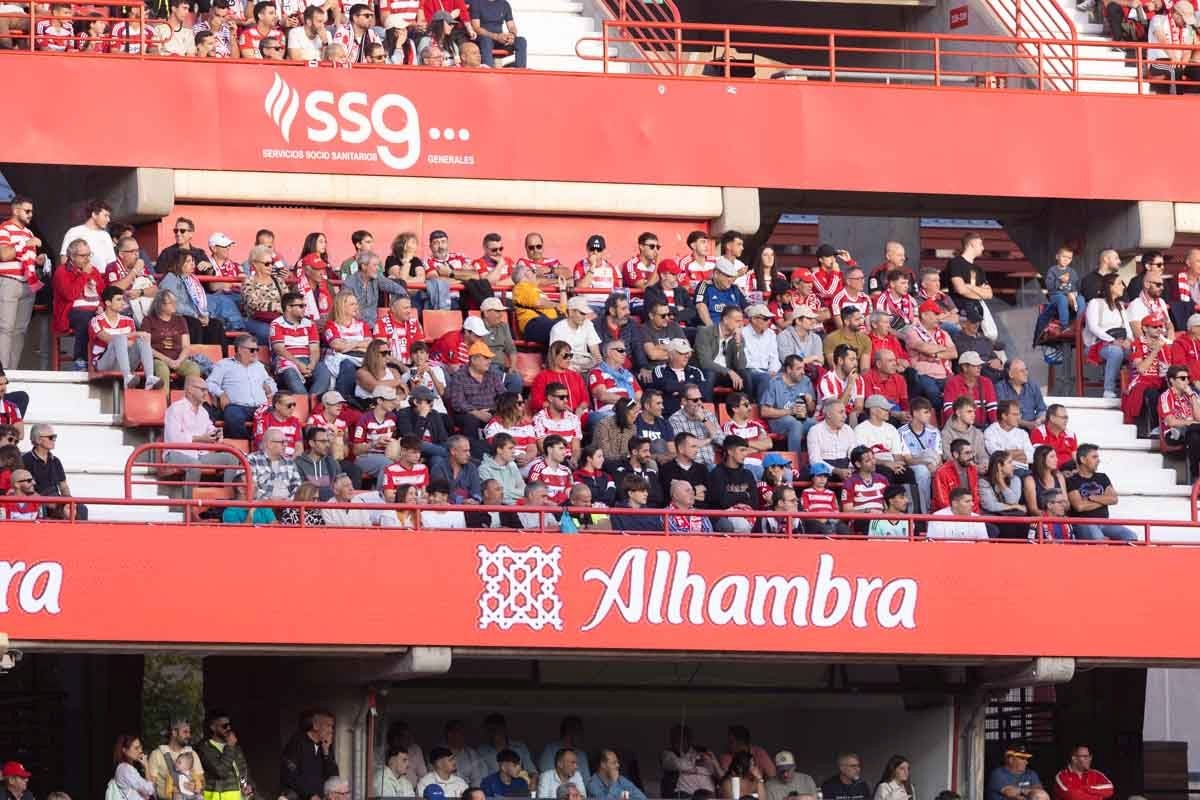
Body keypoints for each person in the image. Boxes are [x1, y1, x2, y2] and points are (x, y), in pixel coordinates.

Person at [164, 375, 241, 495]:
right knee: (195, 465)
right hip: (176, 453)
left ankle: (228, 498)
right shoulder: (175, 409)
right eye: (202, 389)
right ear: (189, 389)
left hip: (199, 455)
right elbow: (174, 439)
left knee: (232, 458)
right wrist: (201, 439)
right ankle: (189, 504)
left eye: (206, 390)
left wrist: (216, 433)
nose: (206, 393)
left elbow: (210, 429)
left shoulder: (203, 411)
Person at [0, 196, 43, 370]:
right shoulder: (4, 229)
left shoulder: (29, 232)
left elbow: (25, 258)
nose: (30, 214)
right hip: (9, 282)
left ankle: (12, 371)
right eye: (27, 211)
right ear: (15, 210)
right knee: (5, 328)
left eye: (31, 211)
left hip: (28, 284)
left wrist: (39, 259)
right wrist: (27, 243)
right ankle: (2, 371)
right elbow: (3, 255)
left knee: (19, 332)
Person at [90, 286, 161, 389]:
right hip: (104, 363)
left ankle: (149, 378)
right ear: (108, 303)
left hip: (126, 361)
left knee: (142, 338)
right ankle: (127, 377)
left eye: (123, 299)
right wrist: (130, 336)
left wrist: (131, 338)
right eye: (118, 299)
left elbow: (131, 343)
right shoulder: (96, 320)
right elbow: (107, 338)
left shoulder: (128, 320)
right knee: (119, 338)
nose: (123, 303)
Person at [207, 335, 277, 439]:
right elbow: (209, 383)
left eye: (257, 350)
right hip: (237, 406)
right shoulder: (224, 364)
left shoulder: (259, 366)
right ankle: (245, 444)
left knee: (277, 414)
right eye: (252, 350)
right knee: (233, 415)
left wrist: (270, 387)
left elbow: (272, 384)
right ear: (240, 349)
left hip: (261, 407)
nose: (256, 353)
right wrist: (220, 393)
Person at [54, 237, 108, 370]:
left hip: (95, 309)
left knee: (116, 317)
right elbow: (69, 294)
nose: (88, 259)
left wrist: (101, 306)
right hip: (71, 312)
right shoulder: (62, 271)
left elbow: (103, 293)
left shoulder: (93, 270)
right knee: (86, 318)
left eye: (89, 254)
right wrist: (84, 275)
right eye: (83, 255)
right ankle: (81, 360)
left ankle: (104, 360)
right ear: (71, 256)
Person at [1066, 444, 1137, 541]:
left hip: (1105, 523)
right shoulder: (1071, 480)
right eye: (1094, 457)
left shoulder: (1102, 477)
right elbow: (1079, 506)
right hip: (1083, 523)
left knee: (1131, 536)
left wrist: (1092, 498)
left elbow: (1114, 499)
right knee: (1097, 537)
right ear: (1082, 459)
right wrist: (1104, 500)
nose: (1098, 460)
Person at [446, 342, 506, 453]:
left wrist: (496, 411)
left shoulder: (492, 375)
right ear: (473, 359)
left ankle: (501, 450)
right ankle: (473, 453)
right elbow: (457, 403)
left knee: (505, 414)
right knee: (470, 420)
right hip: (468, 413)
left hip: (491, 411)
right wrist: (477, 412)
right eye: (486, 358)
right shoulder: (459, 376)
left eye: (489, 358)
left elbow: (504, 396)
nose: (489, 361)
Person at [1083, 273, 1132, 400]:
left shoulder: (1120, 306)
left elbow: (1127, 327)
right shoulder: (1095, 303)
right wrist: (1112, 340)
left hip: (1120, 342)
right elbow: (1093, 327)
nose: (1123, 286)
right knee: (1115, 352)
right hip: (1098, 344)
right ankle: (1108, 390)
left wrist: (1129, 340)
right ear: (1110, 286)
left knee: (1136, 352)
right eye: (1120, 283)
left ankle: (1132, 388)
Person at [23, 424, 86, 520]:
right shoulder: (26, 460)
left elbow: (63, 486)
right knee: (47, 509)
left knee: (81, 508)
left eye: (54, 437)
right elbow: (25, 489)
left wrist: (68, 500)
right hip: (38, 499)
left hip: (56, 498)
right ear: (38, 440)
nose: (54, 439)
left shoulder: (55, 460)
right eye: (51, 437)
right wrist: (46, 501)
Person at [905, 299, 957, 412]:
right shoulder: (912, 332)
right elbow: (925, 348)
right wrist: (944, 349)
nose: (939, 318)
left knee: (958, 393)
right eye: (935, 314)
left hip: (946, 375)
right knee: (933, 394)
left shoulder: (944, 333)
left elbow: (954, 353)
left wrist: (934, 354)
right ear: (924, 315)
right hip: (924, 375)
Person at [1123, 314, 1172, 432]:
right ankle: (1155, 428)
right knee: (1153, 394)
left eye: (1160, 326)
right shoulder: (1137, 343)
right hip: (1142, 381)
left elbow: (1167, 368)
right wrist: (1155, 351)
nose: (1159, 329)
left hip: (1160, 380)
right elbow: (1141, 369)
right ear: (1145, 328)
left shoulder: (1163, 344)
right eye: (1155, 327)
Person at [759, 355, 816, 454]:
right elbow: (764, 411)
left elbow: (811, 410)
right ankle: (795, 462)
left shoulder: (805, 381)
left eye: (803, 368)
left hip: (801, 418)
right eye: (799, 369)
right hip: (778, 420)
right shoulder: (775, 382)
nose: (803, 372)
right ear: (789, 369)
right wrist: (790, 411)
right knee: (795, 424)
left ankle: (815, 460)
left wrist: (810, 402)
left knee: (816, 426)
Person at [196, 712, 255, 800]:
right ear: (213, 727)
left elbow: (244, 771)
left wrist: (249, 786)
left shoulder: (236, 748)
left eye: (229, 725)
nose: (228, 728)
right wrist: (230, 746)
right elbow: (221, 772)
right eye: (224, 726)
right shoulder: (205, 748)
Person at [705, 435, 758, 532]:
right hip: (723, 517)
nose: (745, 454)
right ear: (730, 452)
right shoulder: (717, 473)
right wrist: (745, 495)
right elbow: (722, 502)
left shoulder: (748, 474)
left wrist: (733, 499)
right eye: (742, 450)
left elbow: (755, 502)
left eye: (746, 450)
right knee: (739, 525)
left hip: (747, 515)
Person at [280, 710, 338, 800]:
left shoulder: (326, 746)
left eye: (332, 727)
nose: (331, 730)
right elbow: (290, 776)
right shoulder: (297, 742)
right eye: (328, 725)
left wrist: (326, 753)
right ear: (315, 726)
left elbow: (334, 779)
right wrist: (310, 795)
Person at [695, 305, 749, 397]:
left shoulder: (738, 337)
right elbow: (705, 363)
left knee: (745, 375)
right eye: (737, 321)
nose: (741, 325)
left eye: (741, 321)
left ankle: (744, 406)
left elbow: (740, 366)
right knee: (710, 374)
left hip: (726, 374)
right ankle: (707, 408)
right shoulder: (705, 332)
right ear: (725, 320)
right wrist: (729, 372)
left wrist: (738, 344)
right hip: (708, 371)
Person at [1159, 364, 1200, 477]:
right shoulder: (1166, 396)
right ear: (1172, 380)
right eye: (1182, 378)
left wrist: (1191, 395)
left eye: (1188, 378)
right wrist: (1190, 423)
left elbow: (1199, 417)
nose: (1186, 381)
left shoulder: (1192, 395)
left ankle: (1195, 475)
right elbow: (1171, 422)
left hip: (1193, 431)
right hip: (1173, 433)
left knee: (1195, 437)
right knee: (1193, 432)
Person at [147, 719, 204, 800]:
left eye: (189, 732)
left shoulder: (192, 753)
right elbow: (151, 786)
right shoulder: (157, 754)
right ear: (174, 733)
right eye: (185, 732)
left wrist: (196, 787)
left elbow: (202, 780)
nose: (189, 735)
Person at [667, 385, 723, 465]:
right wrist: (709, 440)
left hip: (711, 464)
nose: (700, 403)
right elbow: (683, 447)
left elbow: (722, 441)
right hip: (691, 465)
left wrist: (704, 420)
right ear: (684, 401)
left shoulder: (708, 416)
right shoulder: (675, 419)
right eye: (695, 400)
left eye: (701, 399)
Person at [980, 451, 1030, 539]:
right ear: (999, 466)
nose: (1013, 465)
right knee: (1008, 527)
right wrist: (1014, 506)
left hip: (1012, 516)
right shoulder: (983, 481)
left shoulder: (1015, 479)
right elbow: (990, 506)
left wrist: (1001, 483)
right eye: (1009, 462)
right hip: (993, 516)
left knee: (1025, 525)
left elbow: (1013, 500)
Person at [590, 339, 642, 422]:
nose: (624, 354)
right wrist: (628, 403)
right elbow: (602, 395)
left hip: (631, 410)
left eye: (625, 351)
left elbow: (639, 397)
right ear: (608, 352)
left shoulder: (628, 375)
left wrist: (632, 406)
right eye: (620, 350)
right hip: (609, 412)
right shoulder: (598, 372)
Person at [807, 398, 856, 480]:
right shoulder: (815, 431)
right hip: (825, 466)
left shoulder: (848, 429)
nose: (845, 416)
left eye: (845, 412)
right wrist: (836, 471)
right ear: (829, 414)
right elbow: (815, 460)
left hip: (846, 465)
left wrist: (850, 469)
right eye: (841, 412)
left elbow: (853, 454)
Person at [550, 297, 603, 372]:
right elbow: (556, 357)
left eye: (585, 314)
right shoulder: (557, 329)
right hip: (566, 369)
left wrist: (600, 367)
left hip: (586, 367)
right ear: (571, 312)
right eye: (582, 313)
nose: (584, 317)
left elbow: (595, 352)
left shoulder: (588, 324)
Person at [818, 343, 866, 423]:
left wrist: (853, 414)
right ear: (840, 361)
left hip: (849, 416)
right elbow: (835, 410)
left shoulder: (859, 379)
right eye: (852, 359)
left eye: (856, 360)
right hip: (827, 420)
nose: (856, 364)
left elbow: (859, 406)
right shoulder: (827, 380)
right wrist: (850, 385)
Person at [984, 400, 1035, 475]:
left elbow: (1032, 457)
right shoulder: (990, 432)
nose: (1018, 418)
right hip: (1002, 473)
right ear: (1004, 416)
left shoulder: (1023, 433)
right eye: (1015, 414)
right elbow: (997, 456)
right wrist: (1020, 453)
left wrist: (1008, 452)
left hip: (1024, 471)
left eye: (1019, 414)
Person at [994, 359, 1046, 431]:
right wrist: (1028, 424)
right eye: (1022, 371)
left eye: (1026, 370)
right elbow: (1004, 414)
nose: (1026, 373)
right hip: (1010, 430)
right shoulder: (1000, 388)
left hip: (1033, 428)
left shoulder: (1033, 386)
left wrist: (1039, 420)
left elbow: (1042, 409)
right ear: (1011, 374)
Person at [471, 0, 526, 67]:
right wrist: (496, 36)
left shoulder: (504, 4)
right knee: (486, 40)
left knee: (521, 41)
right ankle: (488, 70)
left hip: (500, 40)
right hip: (484, 39)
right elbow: (476, 27)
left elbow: (511, 26)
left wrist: (512, 35)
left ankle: (519, 70)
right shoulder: (476, 3)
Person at [932, 438, 981, 513]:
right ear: (956, 454)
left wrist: (972, 513)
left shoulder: (972, 470)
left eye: (971, 453)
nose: (971, 457)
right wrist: (961, 514)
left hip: (969, 513)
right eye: (967, 453)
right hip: (947, 515)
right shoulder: (942, 472)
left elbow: (976, 498)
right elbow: (942, 502)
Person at [940, 396, 989, 470]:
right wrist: (973, 468)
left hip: (979, 474)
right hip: (958, 475)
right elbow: (949, 459)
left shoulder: (977, 433)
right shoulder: (946, 433)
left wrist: (984, 465)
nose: (973, 415)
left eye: (974, 412)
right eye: (969, 411)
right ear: (958, 413)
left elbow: (983, 455)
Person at [1023, 445, 1070, 515]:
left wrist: (1059, 508)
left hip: (1060, 518)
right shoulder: (1030, 480)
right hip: (1040, 521)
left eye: (1056, 456)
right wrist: (1049, 516)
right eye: (1052, 457)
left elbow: (1067, 504)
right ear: (1041, 459)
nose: (1056, 459)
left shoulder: (1059, 476)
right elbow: (1033, 509)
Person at [1030, 404, 1078, 471]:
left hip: (1070, 471)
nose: (1066, 421)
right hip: (1050, 472)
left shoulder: (1071, 434)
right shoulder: (1039, 432)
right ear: (1052, 418)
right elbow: (1041, 460)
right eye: (1063, 418)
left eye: (1067, 418)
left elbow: (1075, 459)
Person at [527, 435, 573, 505]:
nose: (564, 452)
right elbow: (534, 494)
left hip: (563, 510)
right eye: (561, 448)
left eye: (565, 449)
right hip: (545, 510)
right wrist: (552, 504)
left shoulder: (567, 471)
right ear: (549, 449)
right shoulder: (538, 468)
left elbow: (570, 494)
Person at [111, 735, 156, 800]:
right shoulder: (126, 769)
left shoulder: (124, 768)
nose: (140, 750)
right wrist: (146, 766)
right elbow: (149, 790)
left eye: (140, 747)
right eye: (136, 748)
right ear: (124, 750)